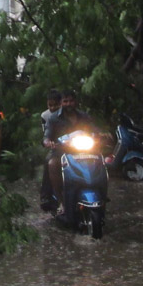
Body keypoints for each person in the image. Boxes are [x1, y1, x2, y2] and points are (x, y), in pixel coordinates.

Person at [42, 89, 92, 219]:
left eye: (71, 101)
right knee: (52, 163)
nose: (69, 104)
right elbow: (46, 135)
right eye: (65, 101)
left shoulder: (84, 116)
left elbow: (94, 129)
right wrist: (48, 142)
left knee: (99, 160)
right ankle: (62, 201)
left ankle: (99, 193)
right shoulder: (53, 119)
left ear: (75, 102)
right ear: (61, 103)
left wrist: (102, 134)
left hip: (83, 150)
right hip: (61, 152)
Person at [37, 89, 62, 210]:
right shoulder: (45, 116)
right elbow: (45, 133)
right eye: (50, 105)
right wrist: (48, 142)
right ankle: (45, 195)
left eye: (55, 105)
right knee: (48, 162)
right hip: (55, 145)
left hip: (72, 144)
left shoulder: (69, 113)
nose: (53, 108)